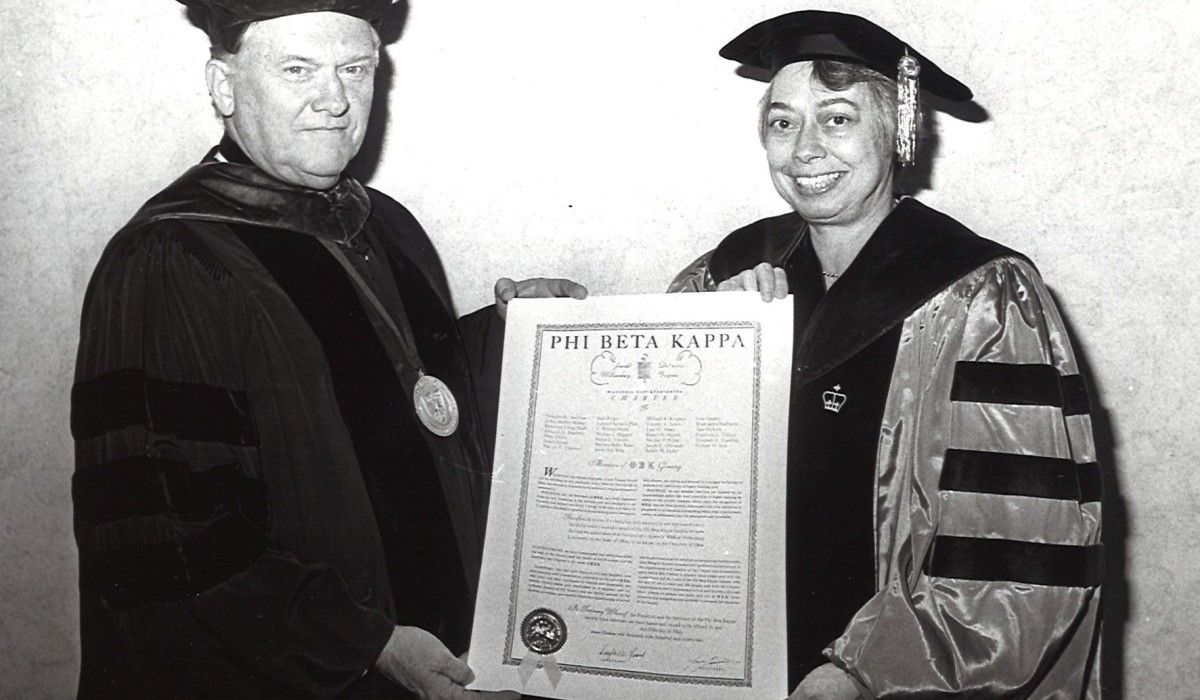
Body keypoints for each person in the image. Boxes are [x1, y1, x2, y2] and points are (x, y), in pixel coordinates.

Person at [69, 1, 583, 697]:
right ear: (223, 87)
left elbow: (386, 391)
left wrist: (510, 336)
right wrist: (368, 642)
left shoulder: (387, 226)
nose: (336, 99)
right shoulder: (171, 258)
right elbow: (175, 540)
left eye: (356, 68)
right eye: (298, 69)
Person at [670, 11, 1102, 699]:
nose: (805, 149)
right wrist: (581, 319)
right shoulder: (724, 269)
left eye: (837, 119)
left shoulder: (983, 296)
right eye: (782, 123)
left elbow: (1017, 563)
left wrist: (859, 675)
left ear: (897, 132)